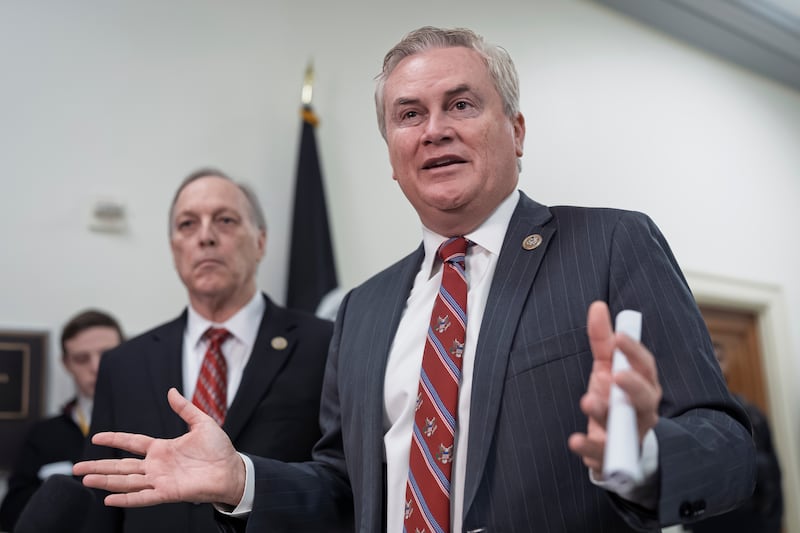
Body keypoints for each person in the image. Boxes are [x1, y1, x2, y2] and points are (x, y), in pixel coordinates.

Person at [74, 27, 756, 532]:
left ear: (516, 130)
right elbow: (345, 490)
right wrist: (242, 478)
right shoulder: (365, 309)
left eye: (461, 104)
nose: (434, 130)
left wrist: (642, 459)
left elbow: (729, 447)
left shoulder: (611, 243)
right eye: (409, 114)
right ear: (393, 159)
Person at [79, 169, 333, 533]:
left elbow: (342, 484)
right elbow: (102, 501)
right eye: (187, 224)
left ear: (260, 241)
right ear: (173, 249)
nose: (206, 237)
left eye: (225, 220)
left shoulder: (324, 345)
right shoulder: (124, 364)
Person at [0, 309, 123, 532]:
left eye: (108, 354)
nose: (96, 368)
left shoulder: (154, 426)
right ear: (66, 364)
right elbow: (11, 514)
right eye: (81, 358)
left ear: (126, 353)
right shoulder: (43, 434)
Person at [689, 342, 783, 532]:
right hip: (709, 523)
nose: (715, 364)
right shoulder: (690, 417)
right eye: (709, 359)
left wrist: (775, 522)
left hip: (755, 521)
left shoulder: (754, 416)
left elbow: (775, 473)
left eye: (720, 359)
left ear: (727, 365)